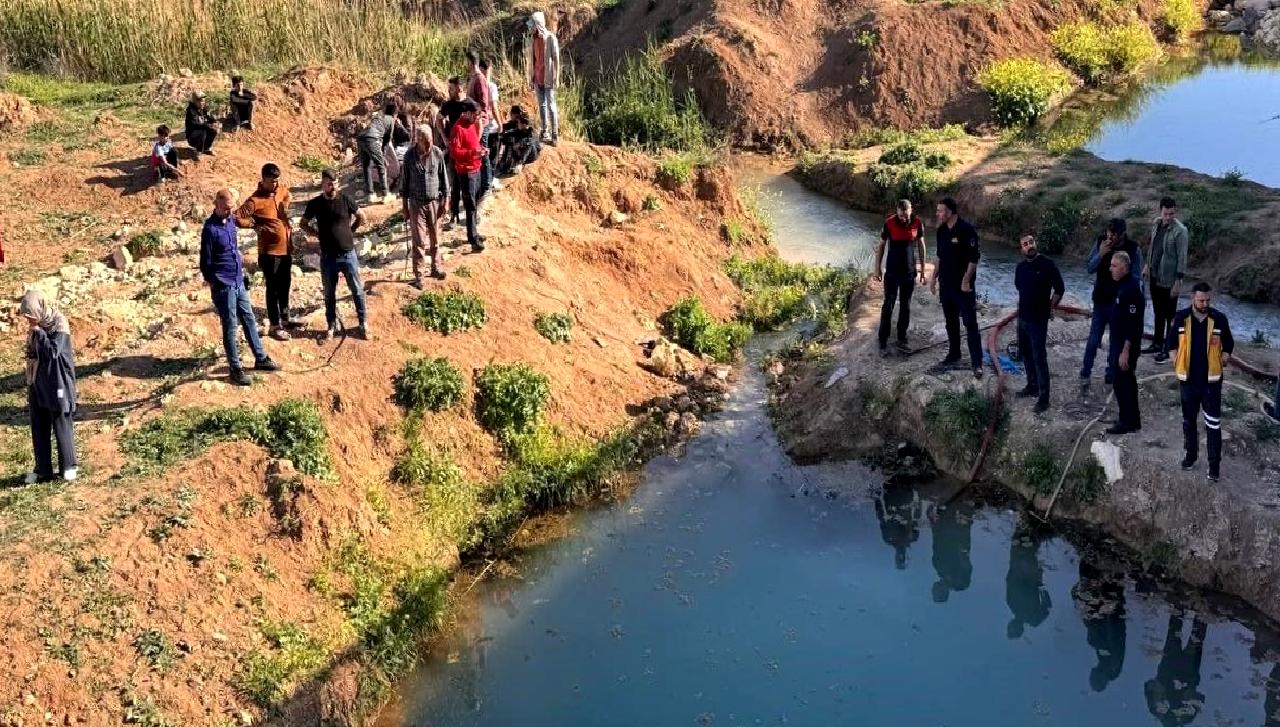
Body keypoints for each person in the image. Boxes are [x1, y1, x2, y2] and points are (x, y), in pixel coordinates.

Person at [201, 189, 279, 386]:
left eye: (232, 208)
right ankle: (235, 369)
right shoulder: (210, 229)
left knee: (249, 318)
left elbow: (235, 250)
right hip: (223, 284)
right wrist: (215, 283)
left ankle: (260, 358)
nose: (230, 211)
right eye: (227, 208)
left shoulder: (231, 224)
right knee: (230, 325)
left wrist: (242, 275)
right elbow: (205, 262)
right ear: (217, 204)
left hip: (238, 280)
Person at [1165, 282, 1234, 482]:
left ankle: (1214, 467)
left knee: (1213, 424)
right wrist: (1175, 361)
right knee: (1189, 422)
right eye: (1201, 300)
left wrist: (1226, 355)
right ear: (1192, 299)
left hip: (1211, 383)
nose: (1205, 303)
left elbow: (1228, 343)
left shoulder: (1219, 319)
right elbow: (1171, 344)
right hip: (1188, 381)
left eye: (1207, 300)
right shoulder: (1181, 318)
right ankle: (1191, 456)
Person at [302, 170, 369, 341]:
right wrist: (316, 234)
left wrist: (350, 231)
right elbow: (303, 223)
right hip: (328, 257)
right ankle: (331, 324)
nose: (332, 186)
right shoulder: (315, 204)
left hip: (348, 254)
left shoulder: (346, 199)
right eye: (328, 183)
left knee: (357, 290)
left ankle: (363, 323)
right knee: (329, 293)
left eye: (335, 183)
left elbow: (361, 217)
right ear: (323, 184)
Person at [19, 290, 77, 484]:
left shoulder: (58, 323)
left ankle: (68, 466)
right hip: (38, 380)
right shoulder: (37, 327)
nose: (30, 321)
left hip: (58, 379)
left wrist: (39, 332)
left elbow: (54, 352)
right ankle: (43, 469)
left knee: (61, 420)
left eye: (31, 316)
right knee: (39, 423)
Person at [236, 163, 297, 340]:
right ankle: (274, 325)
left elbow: (287, 195)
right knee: (273, 288)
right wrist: (254, 225)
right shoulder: (254, 200)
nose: (275, 185)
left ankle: (285, 319)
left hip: (285, 249)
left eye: (277, 181)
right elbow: (237, 217)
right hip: (269, 253)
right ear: (263, 180)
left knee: (285, 285)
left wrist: (285, 206)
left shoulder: (280, 190)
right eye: (272, 181)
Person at [1080, 218, 1142, 391]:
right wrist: (1101, 254)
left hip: (1119, 305)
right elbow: (1089, 268)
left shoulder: (1133, 249)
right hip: (1100, 300)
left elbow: (1137, 279)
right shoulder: (1101, 242)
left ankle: (1110, 373)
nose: (1110, 238)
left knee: (1116, 343)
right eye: (1109, 234)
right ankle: (1085, 372)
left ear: (1122, 234)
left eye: (1114, 235)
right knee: (1093, 340)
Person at [930, 197, 983, 379]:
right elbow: (940, 257)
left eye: (941, 211)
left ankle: (977, 363)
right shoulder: (941, 231)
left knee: (970, 324)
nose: (938, 214)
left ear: (951, 211)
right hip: (946, 285)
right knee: (950, 322)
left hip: (963, 288)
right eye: (937, 211)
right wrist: (933, 277)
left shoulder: (966, 230)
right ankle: (954, 354)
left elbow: (974, 259)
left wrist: (966, 280)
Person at [1014, 234, 1065, 414]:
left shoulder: (1048, 264)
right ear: (1021, 249)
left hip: (1039, 319)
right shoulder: (1020, 268)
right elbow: (1019, 288)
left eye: (1031, 242)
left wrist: (1051, 306)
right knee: (1026, 354)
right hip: (1023, 318)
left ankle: (1044, 398)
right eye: (1025, 244)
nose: (1029, 246)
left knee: (1039, 357)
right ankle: (1032, 385)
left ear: (1035, 243)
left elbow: (1060, 289)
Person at [873, 199, 927, 355]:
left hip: (909, 273)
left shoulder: (917, 223)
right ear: (897, 211)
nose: (903, 216)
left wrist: (923, 269)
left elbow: (921, 245)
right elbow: (881, 245)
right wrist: (877, 269)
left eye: (906, 213)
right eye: (901, 213)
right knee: (888, 305)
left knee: (906, 306)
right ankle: (883, 340)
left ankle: (902, 338)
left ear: (911, 210)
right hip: (892, 273)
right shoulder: (889, 223)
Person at [401, 125, 451, 287]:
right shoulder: (409, 157)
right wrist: (405, 208)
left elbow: (444, 180)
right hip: (416, 204)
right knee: (419, 241)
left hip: (434, 203)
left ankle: (436, 268)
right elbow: (404, 184)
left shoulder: (437, 153)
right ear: (418, 140)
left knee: (435, 238)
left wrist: (446, 201)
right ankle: (419, 276)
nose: (429, 145)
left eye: (430, 141)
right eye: (426, 142)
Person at [1144, 197, 1189, 365]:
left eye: (1171, 214)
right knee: (1157, 312)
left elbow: (1182, 257)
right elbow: (1152, 247)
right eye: (1166, 213)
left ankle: (1168, 348)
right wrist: (1147, 265)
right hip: (1155, 274)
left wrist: (1179, 280)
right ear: (1160, 211)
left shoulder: (1180, 231)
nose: (1168, 217)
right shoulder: (1156, 224)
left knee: (1170, 315)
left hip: (1170, 278)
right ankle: (1156, 343)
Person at [1144, 612, 1208, 727]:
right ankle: (1195, 605)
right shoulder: (1183, 717)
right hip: (1183, 672)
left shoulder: (1157, 710)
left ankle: (1188, 604)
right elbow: (1200, 699)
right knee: (1183, 635)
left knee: (1181, 634)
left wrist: (1159, 688)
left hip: (1172, 670)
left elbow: (1148, 686)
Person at [1072, 561, 1126, 693]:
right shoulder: (1111, 664)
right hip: (1110, 614)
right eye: (1093, 674)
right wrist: (1109, 609)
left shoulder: (1106, 663)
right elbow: (1114, 635)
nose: (1092, 670)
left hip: (1106, 616)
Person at [1107, 251, 1146, 435]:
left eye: (1114, 266)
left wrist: (1125, 351)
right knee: (1127, 381)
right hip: (1119, 341)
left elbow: (1134, 323)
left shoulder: (1131, 289)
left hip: (1125, 345)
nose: (1111, 269)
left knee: (1121, 382)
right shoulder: (1123, 285)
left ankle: (1125, 421)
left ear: (1124, 267)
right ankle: (1132, 419)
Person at [449, 100, 486, 254]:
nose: (477, 118)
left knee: (475, 201)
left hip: (476, 168)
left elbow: (473, 144)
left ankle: (475, 232)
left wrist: (481, 150)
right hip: (466, 172)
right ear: (468, 113)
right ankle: (472, 239)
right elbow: (455, 153)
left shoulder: (471, 125)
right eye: (476, 115)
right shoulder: (458, 128)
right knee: (470, 205)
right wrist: (473, 153)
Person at [1006, 518, 1051, 639]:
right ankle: (1034, 521)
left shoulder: (1033, 618)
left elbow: (1047, 606)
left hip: (1027, 573)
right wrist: (1041, 585)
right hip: (1023, 570)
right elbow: (1047, 606)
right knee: (1027, 544)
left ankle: (1035, 521)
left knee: (1029, 545)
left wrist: (1041, 585)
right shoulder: (1013, 606)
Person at [437, 78, 470, 231]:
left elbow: (479, 120)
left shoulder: (468, 103)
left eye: (451, 88)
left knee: (469, 183)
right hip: (453, 150)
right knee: (454, 183)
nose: (449, 91)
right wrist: (445, 138)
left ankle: (471, 216)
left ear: (459, 88)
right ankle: (454, 215)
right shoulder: (447, 105)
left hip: (468, 149)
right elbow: (438, 120)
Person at [526, 10, 561, 145]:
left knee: (551, 106)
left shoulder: (551, 38)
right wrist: (531, 78)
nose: (531, 27)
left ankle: (555, 134)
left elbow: (556, 59)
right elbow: (533, 61)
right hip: (538, 78)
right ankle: (545, 131)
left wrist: (556, 77)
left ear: (539, 24)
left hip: (548, 77)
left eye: (533, 25)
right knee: (542, 105)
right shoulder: (533, 40)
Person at [467, 51, 496, 201]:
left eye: (466, 62)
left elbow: (484, 103)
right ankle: (480, 185)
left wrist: (477, 115)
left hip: (481, 122)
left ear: (471, 63)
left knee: (483, 152)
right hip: (474, 121)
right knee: (477, 152)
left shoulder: (480, 79)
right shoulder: (473, 78)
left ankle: (487, 185)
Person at [357, 102, 396, 205]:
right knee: (381, 165)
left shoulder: (379, 116)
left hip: (361, 138)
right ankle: (385, 194)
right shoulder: (391, 119)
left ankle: (370, 195)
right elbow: (387, 140)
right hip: (372, 139)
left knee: (366, 166)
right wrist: (382, 156)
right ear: (394, 114)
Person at [479, 58, 504, 193]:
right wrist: (500, 123)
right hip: (491, 126)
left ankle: (484, 181)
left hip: (480, 126)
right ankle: (490, 181)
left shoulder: (475, 83)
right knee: (492, 156)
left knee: (483, 154)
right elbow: (494, 106)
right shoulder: (491, 86)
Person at [497, 105, 540, 176]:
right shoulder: (520, 122)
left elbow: (527, 149)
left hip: (531, 155)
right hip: (526, 148)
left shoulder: (530, 132)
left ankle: (506, 167)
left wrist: (520, 163)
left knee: (512, 142)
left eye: (511, 114)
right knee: (508, 138)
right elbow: (509, 127)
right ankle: (503, 163)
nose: (510, 116)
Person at [184, 91, 219, 155]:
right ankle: (198, 151)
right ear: (195, 101)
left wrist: (215, 122)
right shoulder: (191, 111)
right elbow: (195, 124)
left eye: (203, 101)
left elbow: (210, 117)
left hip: (201, 131)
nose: (203, 103)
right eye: (200, 101)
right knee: (204, 130)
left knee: (213, 130)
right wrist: (207, 125)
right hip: (192, 136)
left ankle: (206, 148)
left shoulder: (203, 109)